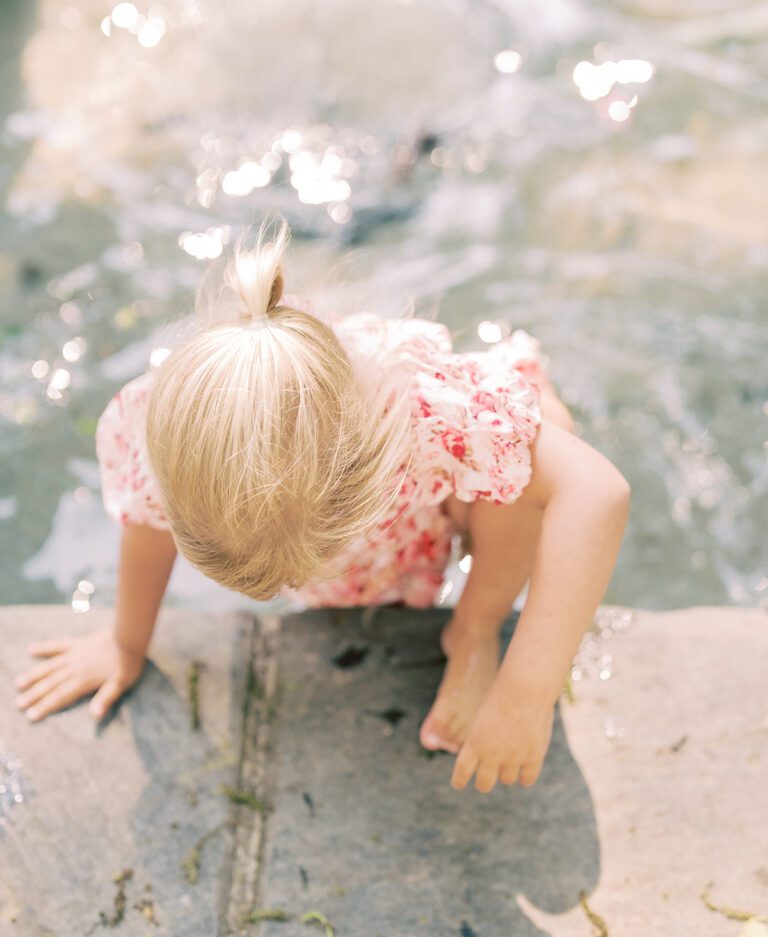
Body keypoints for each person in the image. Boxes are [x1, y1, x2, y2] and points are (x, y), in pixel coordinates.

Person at [13, 214, 630, 794]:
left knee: (538, 434)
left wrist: (524, 693)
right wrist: (126, 643)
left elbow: (598, 493)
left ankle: (473, 628)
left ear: (362, 499)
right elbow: (148, 523)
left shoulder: (417, 415)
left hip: (433, 505)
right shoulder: (170, 427)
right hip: (350, 510)